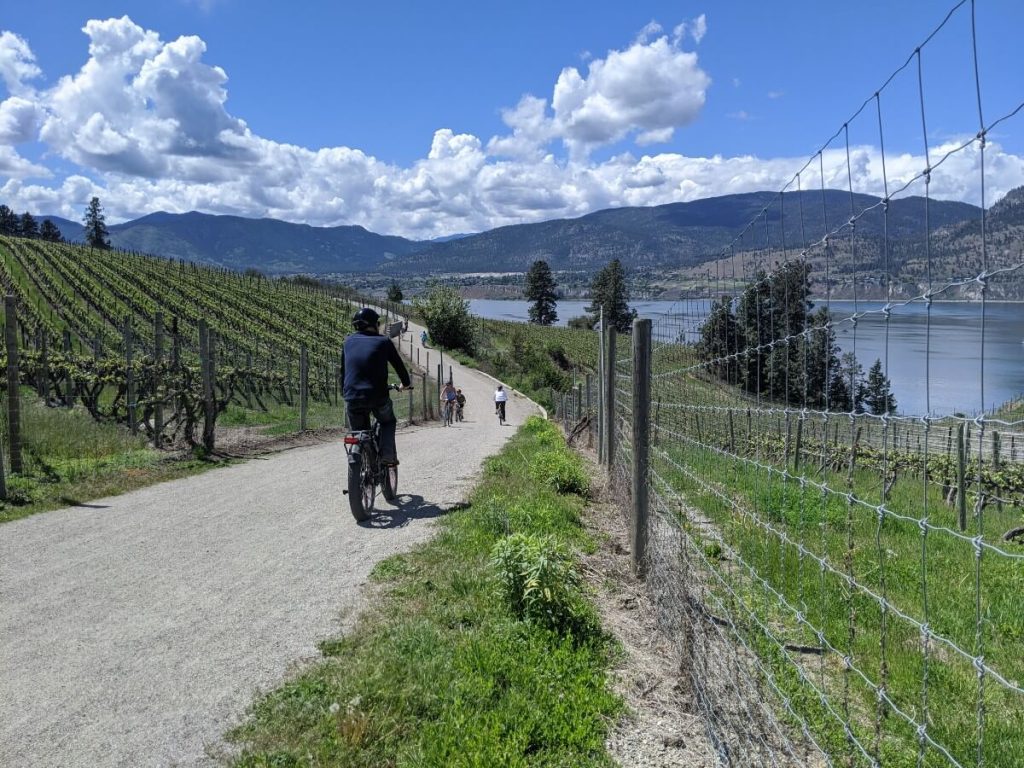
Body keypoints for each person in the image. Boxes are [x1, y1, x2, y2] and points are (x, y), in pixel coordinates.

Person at [340, 307, 412, 465]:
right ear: (374, 324)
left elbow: (343, 373)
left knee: (359, 433)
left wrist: (345, 393)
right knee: (387, 421)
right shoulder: (383, 341)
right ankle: (387, 454)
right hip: (378, 396)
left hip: (352, 397)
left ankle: (364, 466)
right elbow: (399, 367)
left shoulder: (347, 342)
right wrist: (406, 384)